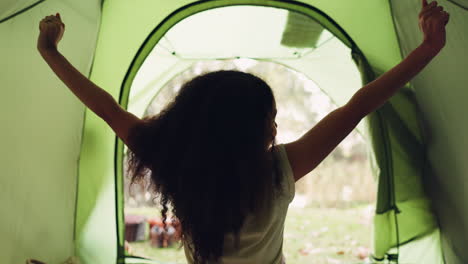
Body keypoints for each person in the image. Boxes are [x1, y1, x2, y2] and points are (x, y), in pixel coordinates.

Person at [36, 1, 449, 263]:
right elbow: (359, 105)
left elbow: (107, 109)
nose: (276, 126)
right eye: (269, 118)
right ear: (244, 131)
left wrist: (50, 52)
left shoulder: (176, 162)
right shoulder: (279, 171)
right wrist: (426, 48)